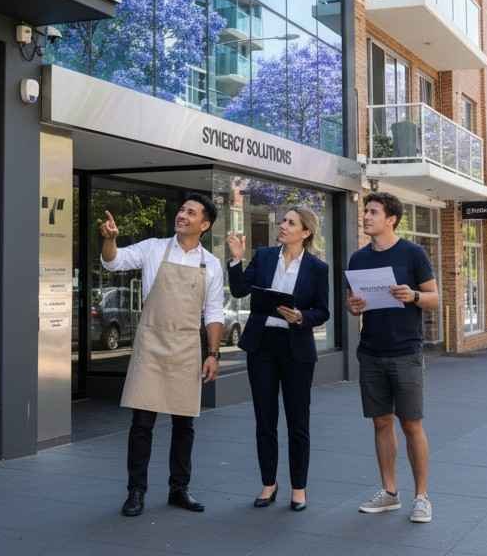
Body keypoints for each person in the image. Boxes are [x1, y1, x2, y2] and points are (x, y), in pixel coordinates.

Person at [100, 194, 225, 518]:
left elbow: (213, 313)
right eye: (181, 209)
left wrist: (213, 354)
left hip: (186, 347)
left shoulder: (210, 264)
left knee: (185, 424)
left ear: (205, 224)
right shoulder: (154, 248)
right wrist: (109, 241)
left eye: (191, 212)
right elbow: (113, 261)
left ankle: (178, 489)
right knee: (142, 423)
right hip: (151, 343)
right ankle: (135, 492)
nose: (182, 215)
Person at [226, 208, 330, 512]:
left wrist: (301, 316)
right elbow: (239, 289)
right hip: (262, 347)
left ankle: (299, 488)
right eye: (283, 221)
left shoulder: (317, 268)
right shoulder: (265, 256)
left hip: (297, 348)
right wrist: (235, 258)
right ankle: (268, 485)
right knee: (265, 419)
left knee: (298, 422)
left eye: (290, 223)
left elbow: (323, 310)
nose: (283, 226)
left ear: (305, 232)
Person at [346, 192, 440, 524]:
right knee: (381, 421)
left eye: (373, 212)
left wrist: (413, 295)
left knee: (411, 423)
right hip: (371, 351)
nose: (366, 216)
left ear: (391, 219)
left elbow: (434, 297)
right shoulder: (358, 258)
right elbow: (352, 301)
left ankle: (422, 497)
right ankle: (389, 492)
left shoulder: (413, 253)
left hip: (406, 351)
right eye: (365, 211)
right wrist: (353, 305)